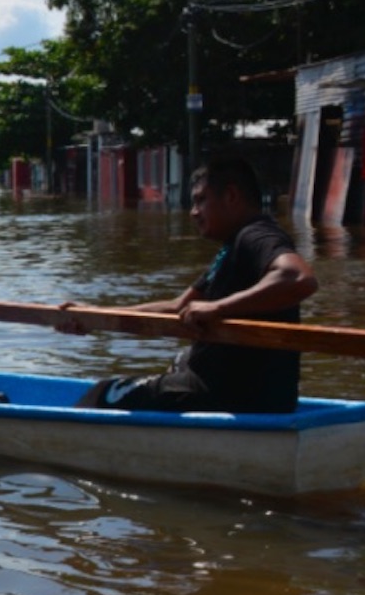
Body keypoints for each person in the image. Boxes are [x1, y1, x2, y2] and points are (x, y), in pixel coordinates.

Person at [64, 158, 316, 414]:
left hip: (228, 395)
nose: (193, 212)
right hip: (246, 392)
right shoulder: (232, 249)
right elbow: (178, 308)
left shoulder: (255, 236)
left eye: (201, 200)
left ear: (230, 196)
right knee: (182, 359)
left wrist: (217, 307)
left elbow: (298, 278)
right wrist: (95, 317)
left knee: (102, 393)